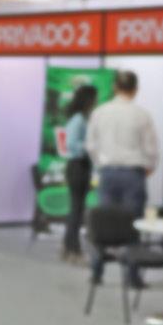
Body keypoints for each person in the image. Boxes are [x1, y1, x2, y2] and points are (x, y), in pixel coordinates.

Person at [86, 70, 159, 284]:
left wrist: (101, 165)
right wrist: (149, 167)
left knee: (103, 224)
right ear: (136, 90)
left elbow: (91, 145)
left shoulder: (100, 112)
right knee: (133, 224)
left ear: (115, 87)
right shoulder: (142, 115)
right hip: (133, 175)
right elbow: (151, 148)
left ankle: (97, 271)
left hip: (107, 174)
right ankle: (132, 276)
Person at [61, 84, 98, 264]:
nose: (96, 102)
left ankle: (68, 247)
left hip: (80, 166)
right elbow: (71, 144)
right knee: (76, 210)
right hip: (78, 166)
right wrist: (89, 147)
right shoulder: (78, 119)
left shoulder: (82, 118)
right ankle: (73, 250)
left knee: (76, 209)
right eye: (94, 98)